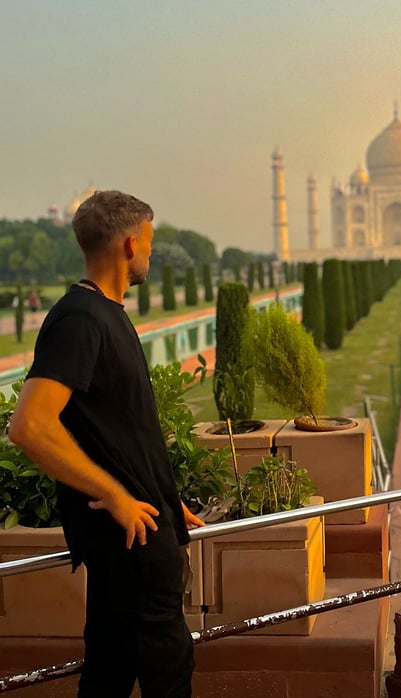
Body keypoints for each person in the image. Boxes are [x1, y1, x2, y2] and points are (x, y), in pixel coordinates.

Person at [9, 190, 203, 698]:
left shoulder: (106, 313)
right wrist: (115, 495)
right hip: (131, 547)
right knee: (168, 673)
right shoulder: (82, 318)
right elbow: (30, 426)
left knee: (109, 675)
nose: (151, 255)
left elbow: (117, 431)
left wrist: (164, 497)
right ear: (130, 243)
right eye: (150, 244)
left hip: (137, 533)